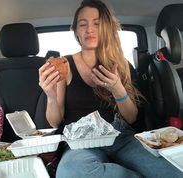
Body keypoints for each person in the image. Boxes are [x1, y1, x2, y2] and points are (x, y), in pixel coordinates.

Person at [38, 0, 183, 177]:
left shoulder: (120, 64)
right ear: (76, 30)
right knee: (71, 172)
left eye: (97, 23)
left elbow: (131, 117)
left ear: (106, 28)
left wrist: (117, 89)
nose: (89, 29)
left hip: (121, 138)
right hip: (80, 143)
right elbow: (54, 122)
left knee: (172, 170)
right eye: (82, 24)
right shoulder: (64, 64)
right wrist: (51, 96)